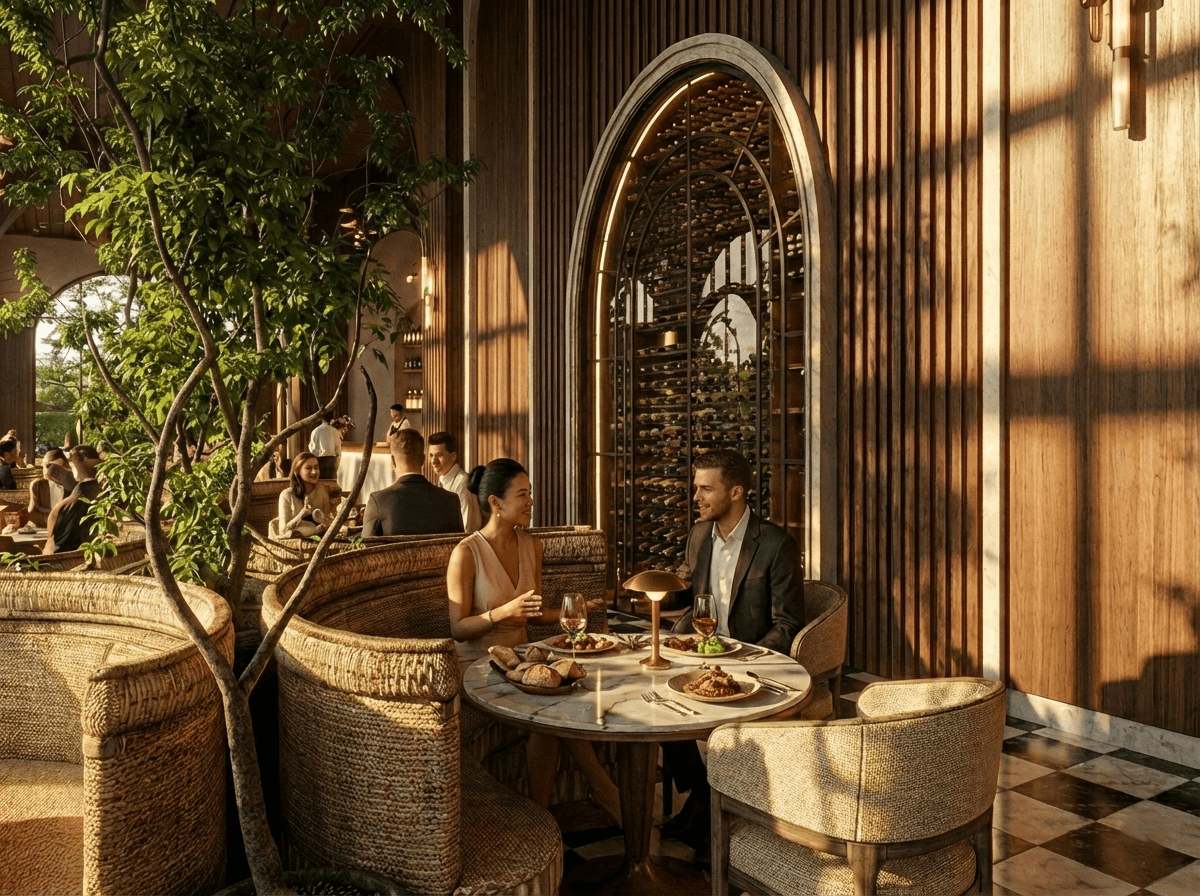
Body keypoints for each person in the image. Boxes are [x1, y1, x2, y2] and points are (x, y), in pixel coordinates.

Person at [447, 458, 620, 824]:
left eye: (530, 494)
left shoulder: (532, 545)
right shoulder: (466, 553)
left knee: (564, 699)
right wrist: (500, 613)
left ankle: (543, 816)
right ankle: (604, 793)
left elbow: (532, 613)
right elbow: (458, 628)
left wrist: (570, 612)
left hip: (523, 664)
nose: (530, 502)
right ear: (495, 502)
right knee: (551, 711)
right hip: (479, 668)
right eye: (522, 495)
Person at [658, 448, 805, 856]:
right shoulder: (699, 535)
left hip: (748, 661)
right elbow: (687, 589)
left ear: (736, 492)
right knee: (654, 704)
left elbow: (788, 623)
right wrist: (647, 588)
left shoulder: (776, 544)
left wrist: (745, 660)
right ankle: (705, 797)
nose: (696, 497)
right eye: (696, 487)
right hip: (702, 653)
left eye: (706, 489)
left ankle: (704, 811)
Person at [361, 430, 462, 536]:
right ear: (423, 459)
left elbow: (365, 545)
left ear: (393, 461)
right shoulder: (451, 500)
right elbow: (459, 544)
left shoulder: (378, 501)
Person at [43, 445, 103, 554]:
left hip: (66, 557)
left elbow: (51, 548)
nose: (69, 464)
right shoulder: (102, 494)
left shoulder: (71, 501)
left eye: (71, 460)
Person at [270, 451, 338, 539]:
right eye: (308, 468)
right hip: (293, 541)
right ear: (297, 471)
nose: (314, 472)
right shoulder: (286, 495)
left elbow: (329, 522)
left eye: (316, 467)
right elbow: (283, 531)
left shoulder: (324, 491)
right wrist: (302, 514)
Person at [428, 431, 481, 533]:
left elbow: (468, 528)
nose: (434, 461)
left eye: (439, 455)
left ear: (453, 456)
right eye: (431, 455)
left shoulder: (463, 483)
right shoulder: (441, 480)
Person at [27, 448, 75, 527]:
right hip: (43, 528)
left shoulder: (72, 486)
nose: (47, 470)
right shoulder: (37, 485)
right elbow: (33, 513)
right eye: (45, 465)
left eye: (55, 468)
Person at [308, 411, 342, 480]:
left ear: (321, 418)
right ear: (331, 418)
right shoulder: (335, 431)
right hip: (332, 460)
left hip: (320, 460)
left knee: (321, 482)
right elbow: (338, 450)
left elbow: (313, 450)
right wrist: (337, 463)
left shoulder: (316, 431)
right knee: (331, 483)